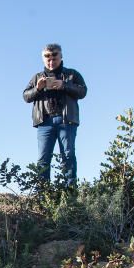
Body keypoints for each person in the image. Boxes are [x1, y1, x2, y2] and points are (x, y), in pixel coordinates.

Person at [22, 43, 87, 187]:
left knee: (68, 156)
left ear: (61, 56)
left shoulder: (72, 74)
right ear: (43, 59)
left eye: (54, 57)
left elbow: (83, 92)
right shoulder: (37, 77)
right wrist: (38, 89)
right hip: (45, 122)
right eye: (47, 58)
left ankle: (70, 192)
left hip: (66, 121)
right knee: (43, 159)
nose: (51, 61)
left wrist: (65, 85)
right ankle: (43, 194)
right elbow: (26, 96)